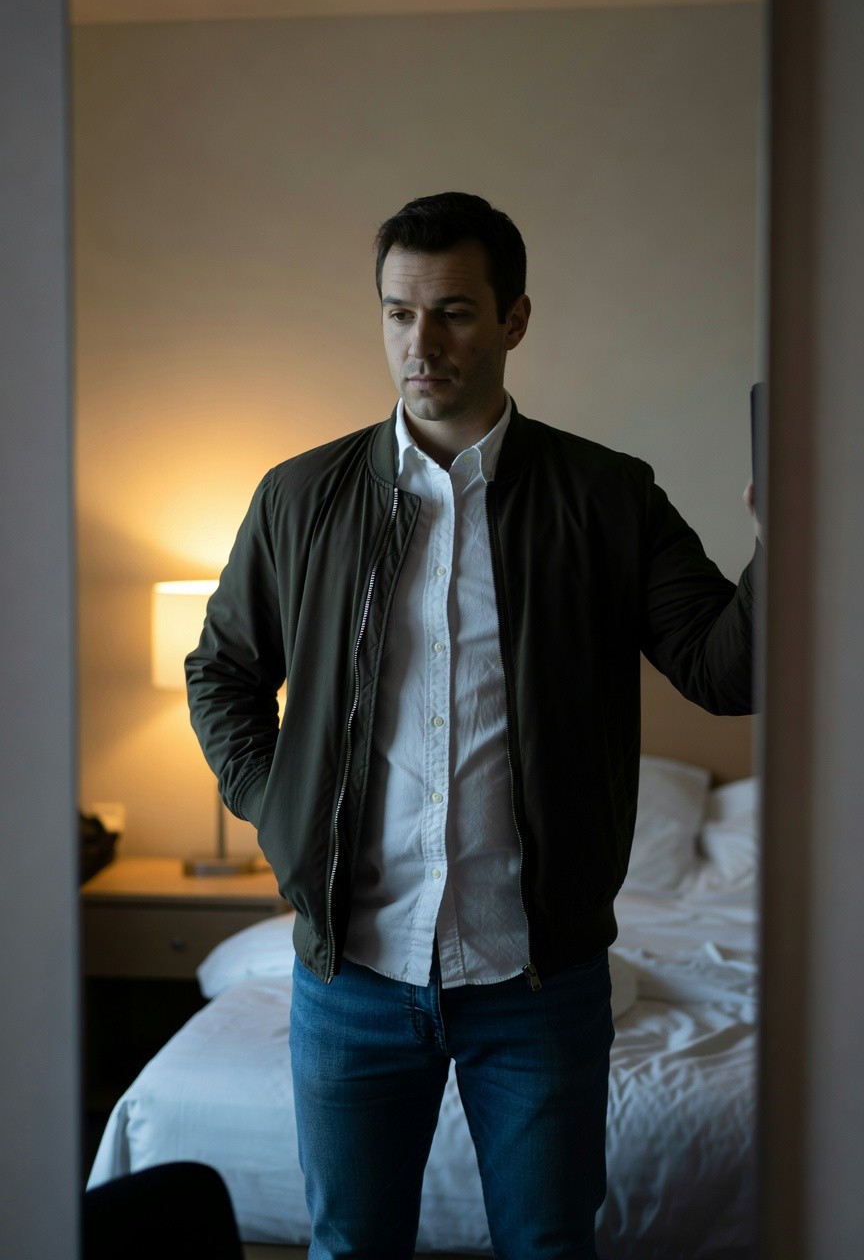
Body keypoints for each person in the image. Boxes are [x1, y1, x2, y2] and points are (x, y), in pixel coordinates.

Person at [185, 192, 759, 1260]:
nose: (422, 343)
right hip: (350, 976)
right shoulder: (300, 497)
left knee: (548, 1248)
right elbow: (221, 671)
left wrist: (792, 531)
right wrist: (281, 807)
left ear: (514, 320)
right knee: (352, 1248)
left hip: (534, 984)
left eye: (452, 311)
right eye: (400, 313)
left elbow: (729, 670)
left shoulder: (607, 497)